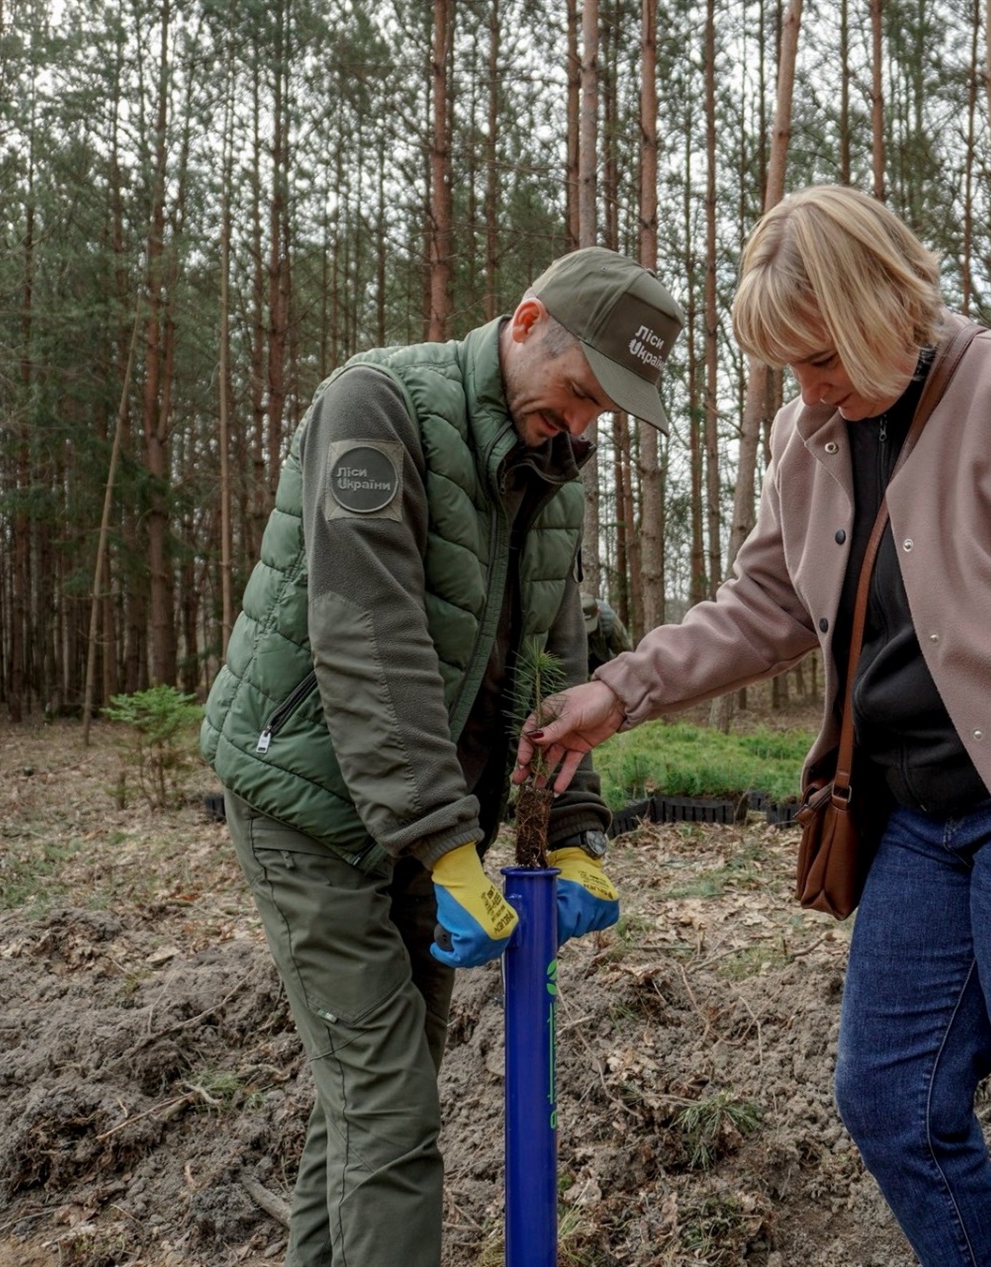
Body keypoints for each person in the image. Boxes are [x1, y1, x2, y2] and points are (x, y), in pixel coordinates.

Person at [517, 187, 991, 1267]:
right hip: (918, 819)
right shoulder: (807, 432)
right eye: (789, 368)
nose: (807, 388)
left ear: (883, 310)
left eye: (821, 358)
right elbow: (766, 604)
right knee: (889, 1101)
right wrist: (621, 689)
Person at [201, 247, 683, 1267]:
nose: (584, 424)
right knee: (389, 1111)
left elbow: (552, 669)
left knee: (371, 1097)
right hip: (311, 799)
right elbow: (365, 635)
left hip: (428, 821)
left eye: (606, 411)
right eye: (577, 392)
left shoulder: (551, 475)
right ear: (523, 323)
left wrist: (579, 828)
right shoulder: (375, 408)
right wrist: (444, 843)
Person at [581, 591, 636, 675]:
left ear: (598, 612)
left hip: (600, 656)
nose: (587, 632)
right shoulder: (564, 619)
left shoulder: (609, 620)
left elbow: (625, 652)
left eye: (589, 625)